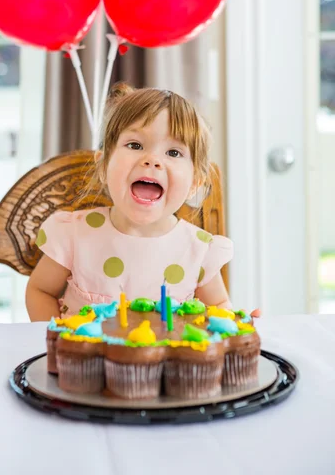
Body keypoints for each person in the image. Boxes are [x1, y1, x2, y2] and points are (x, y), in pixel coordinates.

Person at [26, 83, 233, 321]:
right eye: (135, 145)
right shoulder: (74, 235)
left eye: (174, 153)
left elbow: (219, 305)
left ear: (195, 182)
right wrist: (55, 341)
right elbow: (40, 291)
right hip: (86, 357)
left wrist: (241, 323)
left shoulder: (199, 249)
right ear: (103, 166)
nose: (152, 160)